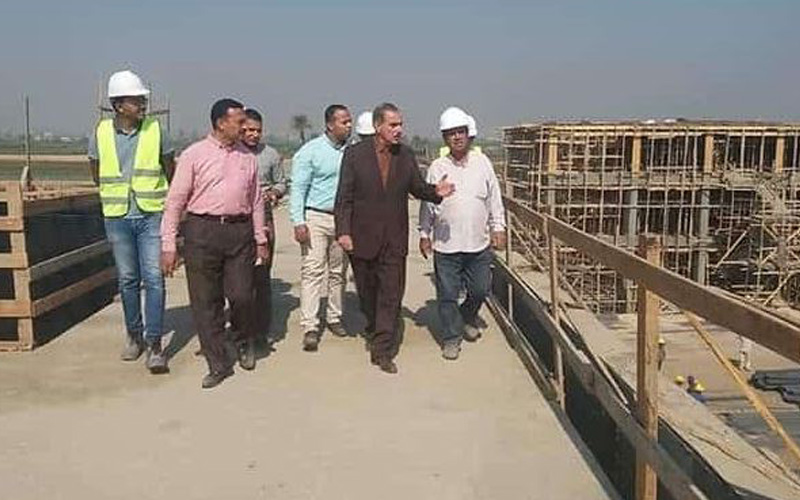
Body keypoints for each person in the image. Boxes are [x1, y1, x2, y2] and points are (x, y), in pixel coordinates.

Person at [335, 102, 455, 374]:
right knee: (367, 293)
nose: (399, 129)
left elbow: (417, 187)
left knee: (391, 294)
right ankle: (374, 326)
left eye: (400, 124)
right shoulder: (355, 155)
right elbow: (344, 197)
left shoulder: (406, 155)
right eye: (393, 125)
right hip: (362, 237)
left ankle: (382, 350)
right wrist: (343, 231)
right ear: (378, 126)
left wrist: (436, 191)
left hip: (394, 238)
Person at [161, 98, 269, 389]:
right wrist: (168, 244)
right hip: (202, 232)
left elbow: (256, 201)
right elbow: (175, 202)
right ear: (221, 123)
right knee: (205, 301)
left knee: (242, 295)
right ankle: (217, 362)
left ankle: (243, 340)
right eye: (239, 122)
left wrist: (260, 238)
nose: (244, 127)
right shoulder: (194, 155)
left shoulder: (248, 157)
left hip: (239, 232)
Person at [88, 70, 174, 374]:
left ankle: (154, 344)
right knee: (127, 279)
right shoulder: (100, 132)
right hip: (117, 216)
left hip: (151, 214)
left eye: (142, 100)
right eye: (135, 100)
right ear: (118, 105)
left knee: (154, 278)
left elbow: (169, 167)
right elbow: (96, 171)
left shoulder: (156, 130)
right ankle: (134, 335)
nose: (142, 105)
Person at [419, 107, 506, 360]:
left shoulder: (483, 163)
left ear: (468, 134)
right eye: (451, 133)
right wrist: (424, 233)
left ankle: (466, 316)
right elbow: (427, 204)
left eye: (460, 132)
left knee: (480, 289)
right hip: (446, 246)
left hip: (478, 244)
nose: (456, 137)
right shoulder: (437, 167)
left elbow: (494, 198)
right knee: (447, 295)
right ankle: (451, 338)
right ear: (444, 138)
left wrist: (498, 227)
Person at [290, 105, 352, 352]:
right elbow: (298, 188)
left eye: (349, 121)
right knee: (313, 271)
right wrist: (298, 221)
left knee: (338, 272)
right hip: (315, 217)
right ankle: (310, 326)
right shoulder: (310, 152)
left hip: (342, 219)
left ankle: (335, 317)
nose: (348, 125)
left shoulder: (352, 152)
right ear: (330, 125)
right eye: (344, 122)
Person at [241, 108, 285, 344]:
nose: (254, 135)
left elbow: (281, 182)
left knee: (261, 275)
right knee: (239, 277)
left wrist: (275, 193)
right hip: (238, 220)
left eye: (258, 130)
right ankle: (241, 326)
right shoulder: (232, 153)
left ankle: (261, 329)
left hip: (264, 220)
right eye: (249, 130)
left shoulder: (271, 155)